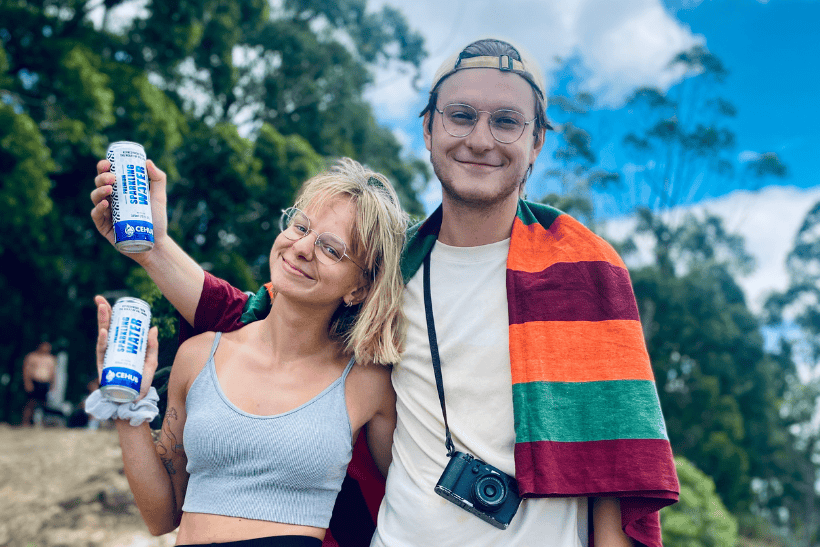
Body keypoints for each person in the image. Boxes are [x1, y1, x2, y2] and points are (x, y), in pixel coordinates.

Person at [90, 38, 679, 547]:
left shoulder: (581, 273)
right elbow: (257, 315)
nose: (481, 138)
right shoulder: (391, 273)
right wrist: (149, 246)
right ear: (428, 128)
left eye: (507, 120)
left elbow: (617, 467)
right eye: (460, 114)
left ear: (537, 142)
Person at [87, 158, 408, 546]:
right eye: (300, 227)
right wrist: (128, 409)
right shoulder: (199, 355)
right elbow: (161, 517)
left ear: (359, 287)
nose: (302, 247)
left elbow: (410, 499)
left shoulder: (367, 384)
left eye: (331, 249)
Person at [22, 341, 57, 427]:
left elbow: (53, 373)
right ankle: (25, 423)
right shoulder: (32, 357)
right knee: (30, 403)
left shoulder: (51, 359)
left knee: (44, 404)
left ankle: (42, 423)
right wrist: (27, 383)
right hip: (34, 381)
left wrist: (53, 385)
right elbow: (26, 371)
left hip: (45, 383)